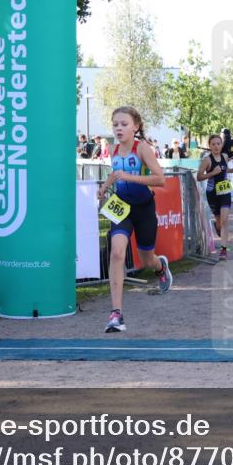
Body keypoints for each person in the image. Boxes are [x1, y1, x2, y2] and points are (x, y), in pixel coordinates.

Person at [96, 106, 173, 333]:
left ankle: (160, 268)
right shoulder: (113, 149)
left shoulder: (143, 149)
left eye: (124, 124)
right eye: (115, 124)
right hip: (122, 207)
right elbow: (115, 173)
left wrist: (130, 177)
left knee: (147, 259)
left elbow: (160, 180)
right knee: (117, 252)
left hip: (144, 208)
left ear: (135, 127)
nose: (118, 128)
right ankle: (116, 314)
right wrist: (105, 187)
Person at [197, 134, 233, 261]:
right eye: (213, 144)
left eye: (218, 144)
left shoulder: (225, 156)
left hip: (225, 191)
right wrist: (212, 173)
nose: (216, 146)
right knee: (220, 223)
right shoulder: (207, 160)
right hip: (212, 194)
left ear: (221, 145)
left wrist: (232, 171)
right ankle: (217, 225)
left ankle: (224, 250)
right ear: (209, 146)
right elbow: (199, 177)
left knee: (225, 220)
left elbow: (223, 169)